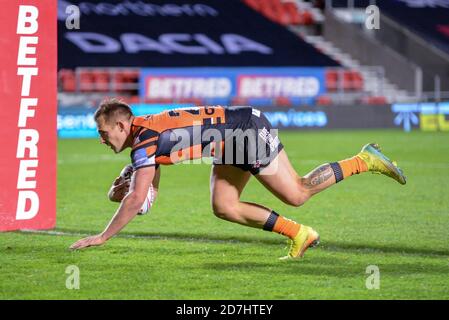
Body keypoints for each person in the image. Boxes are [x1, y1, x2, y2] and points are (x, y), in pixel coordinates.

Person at [69, 99, 406, 259]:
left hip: (247, 132)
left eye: (103, 133)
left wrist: (103, 236)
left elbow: (138, 199)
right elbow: (145, 197)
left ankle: (364, 161)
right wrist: (126, 192)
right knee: (224, 205)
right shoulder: (143, 136)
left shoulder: (143, 142)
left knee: (298, 193)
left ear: (121, 126)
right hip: (230, 139)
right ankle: (301, 234)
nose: (101, 139)